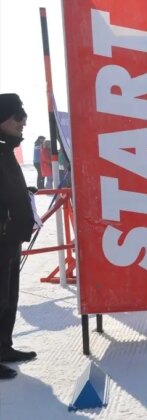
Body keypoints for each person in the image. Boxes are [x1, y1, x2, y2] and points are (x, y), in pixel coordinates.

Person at [0, 93, 37, 379]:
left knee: (8, 295)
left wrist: (25, 199)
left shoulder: (5, 149)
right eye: (17, 117)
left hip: (10, 236)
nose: (23, 122)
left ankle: (3, 347)